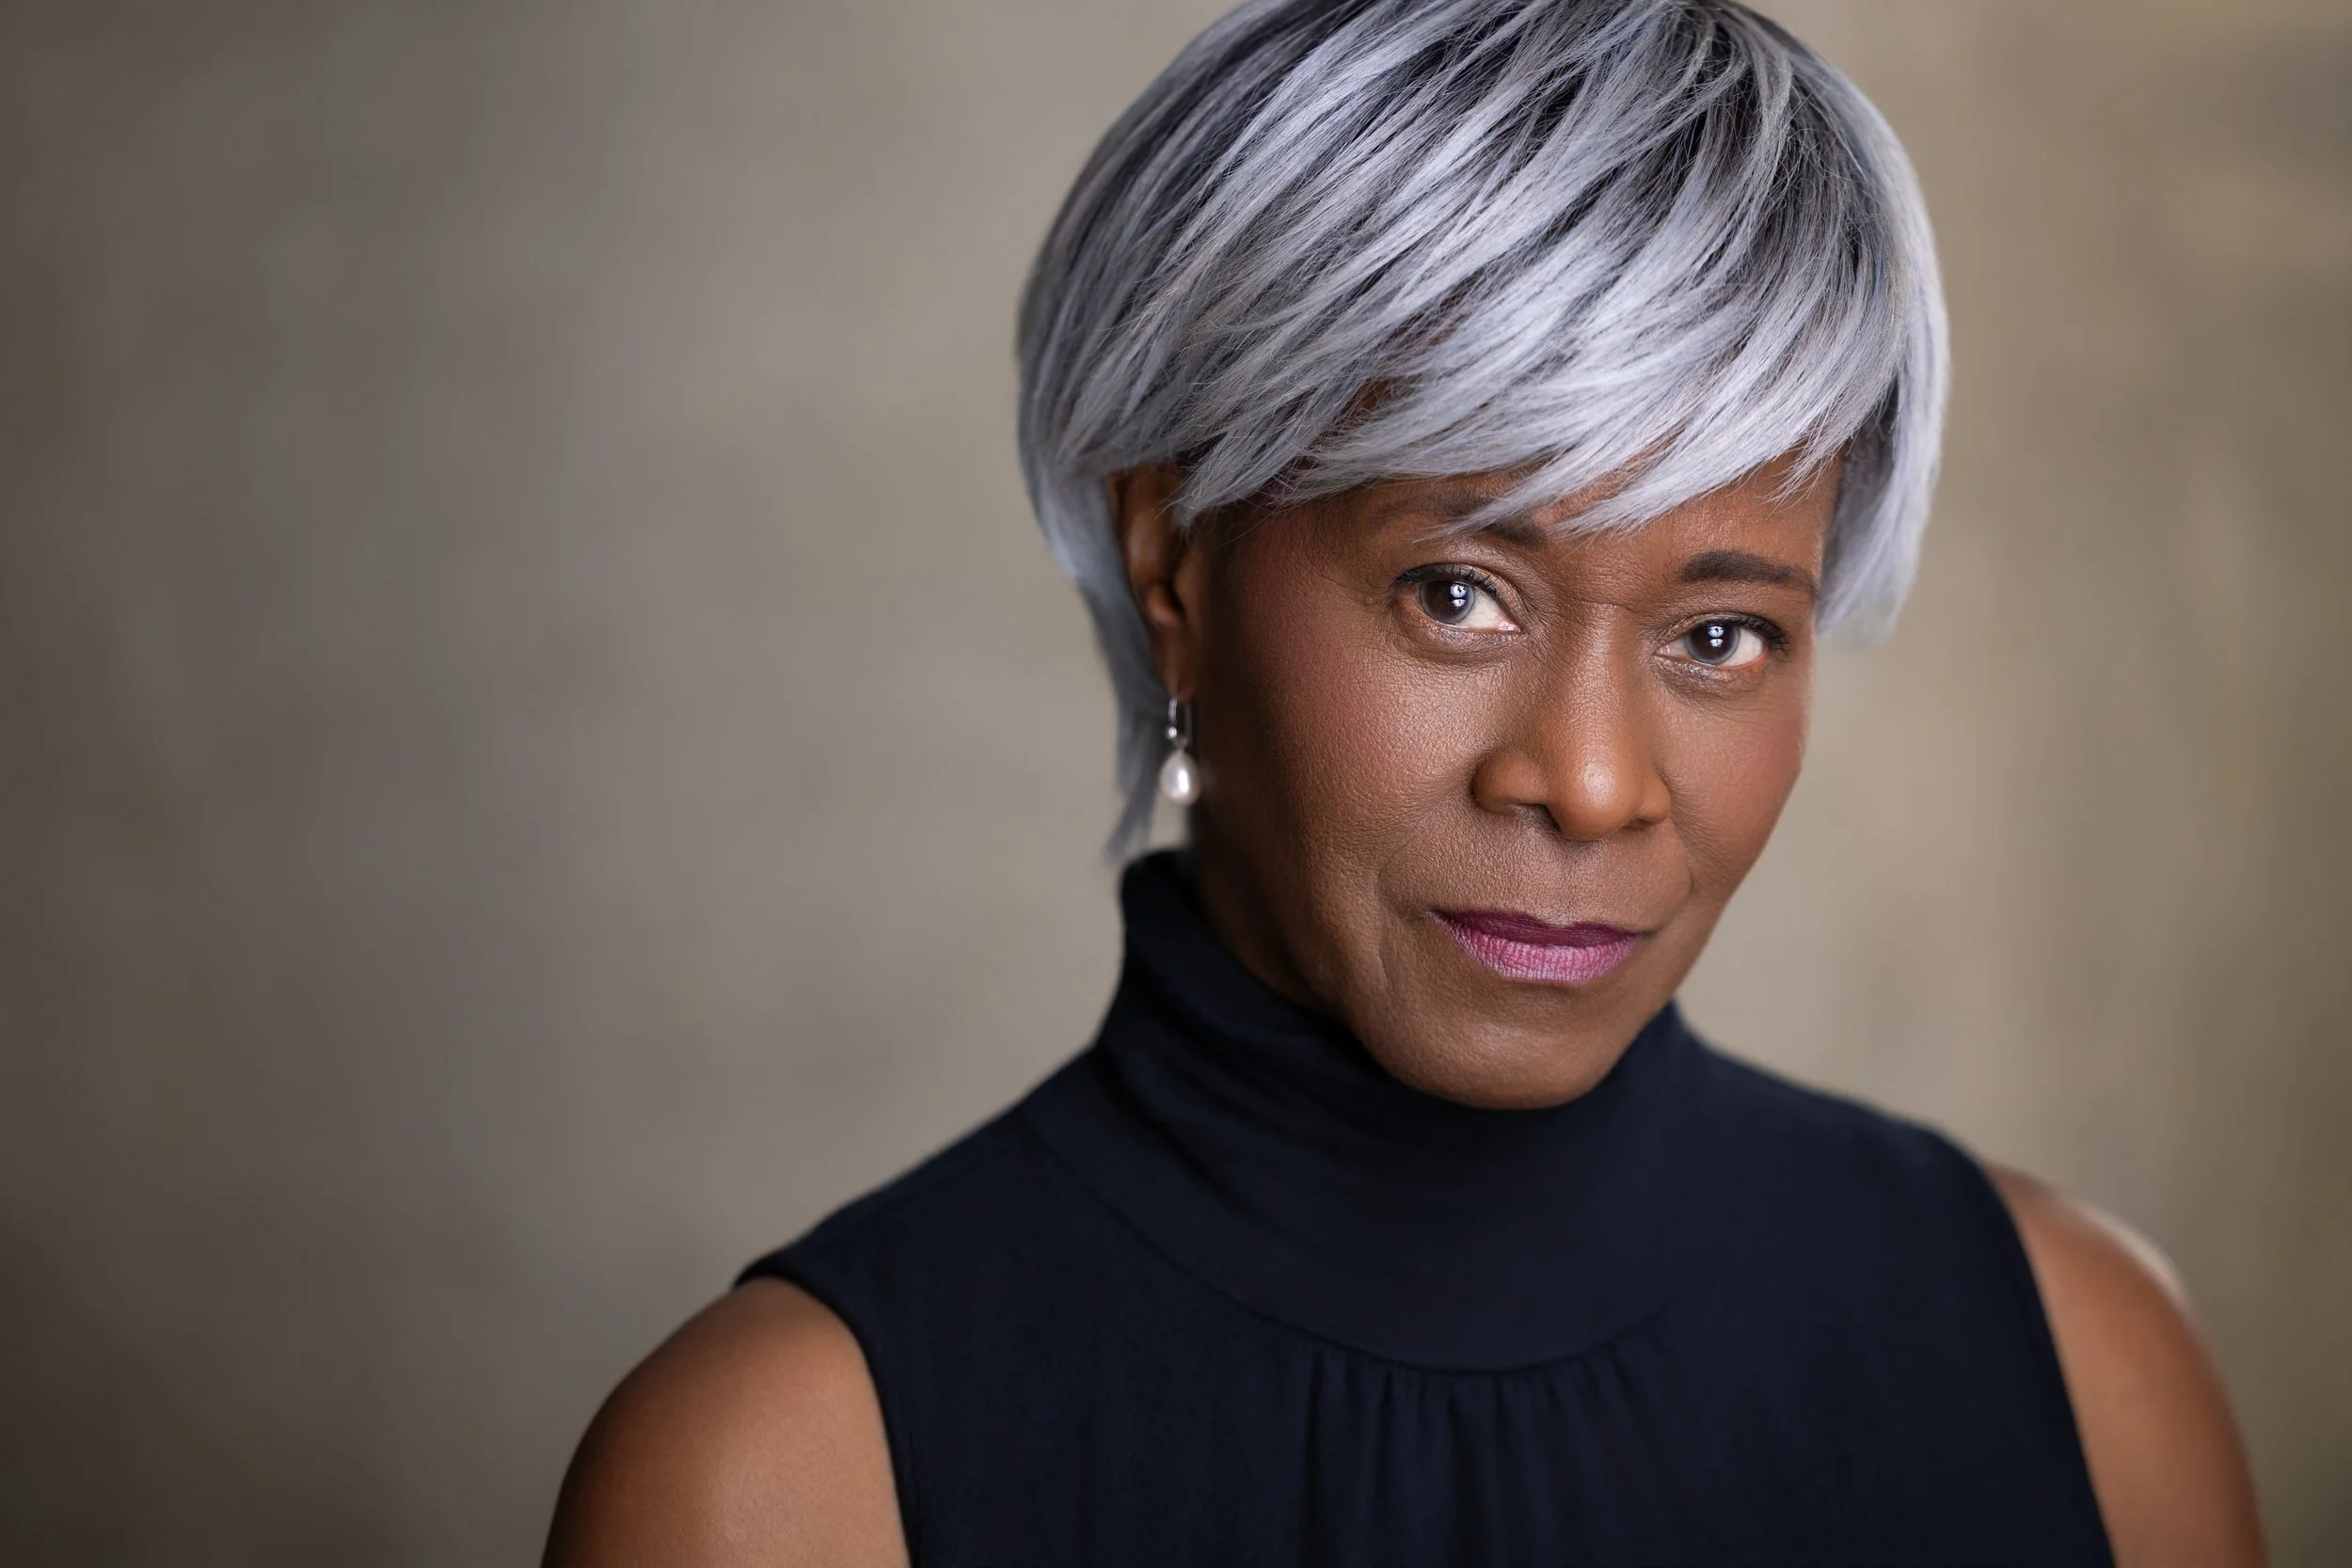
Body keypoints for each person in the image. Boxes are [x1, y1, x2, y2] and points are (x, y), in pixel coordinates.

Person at [544, 2, 2265, 1563]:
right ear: (1174, 563)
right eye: (1457, 592)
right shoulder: (782, 1481)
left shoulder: (2081, 1365)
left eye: (1722, 636)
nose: (1591, 783)